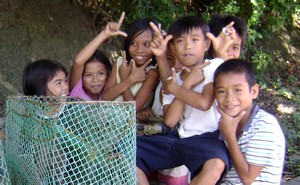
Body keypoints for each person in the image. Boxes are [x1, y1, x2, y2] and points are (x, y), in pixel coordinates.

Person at [136, 15, 230, 185]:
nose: (188, 46)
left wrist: (176, 89)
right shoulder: (174, 79)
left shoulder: (213, 66)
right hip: (177, 137)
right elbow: (170, 121)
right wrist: (184, 85)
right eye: (180, 41)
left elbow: (204, 102)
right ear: (172, 47)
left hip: (208, 138)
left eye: (195, 40)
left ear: (206, 44)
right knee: (126, 152)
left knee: (216, 165)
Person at [214, 59, 285, 185]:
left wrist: (229, 135)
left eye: (237, 90)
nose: (229, 98)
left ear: (253, 91)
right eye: (221, 91)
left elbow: (247, 178)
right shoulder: (225, 123)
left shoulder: (264, 125)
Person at [22, 59, 69, 184]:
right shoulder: (29, 112)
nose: (65, 87)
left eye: (65, 81)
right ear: (40, 88)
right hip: (37, 170)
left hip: (67, 172)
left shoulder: (70, 109)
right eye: (58, 83)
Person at [103, 18, 159, 112]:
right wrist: (129, 80)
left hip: (130, 125)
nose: (139, 50)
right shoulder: (120, 63)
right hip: (107, 119)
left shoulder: (151, 73)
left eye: (146, 44)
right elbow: (105, 98)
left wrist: (124, 78)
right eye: (133, 43)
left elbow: (132, 110)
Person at [69, 13, 128, 101]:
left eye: (101, 73)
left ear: (108, 73)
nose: (95, 80)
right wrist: (105, 34)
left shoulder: (110, 95)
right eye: (88, 75)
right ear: (81, 77)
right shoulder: (77, 93)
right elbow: (78, 62)